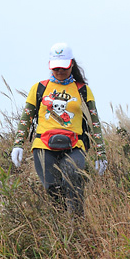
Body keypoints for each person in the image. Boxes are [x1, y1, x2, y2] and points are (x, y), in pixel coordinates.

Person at [10, 42, 106, 216]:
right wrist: (18, 144)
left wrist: (101, 153)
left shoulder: (83, 90)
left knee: (74, 180)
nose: (60, 71)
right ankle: (60, 227)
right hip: (43, 146)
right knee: (52, 189)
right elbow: (26, 118)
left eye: (64, 67)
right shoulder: (39, 88)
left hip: (75, 145)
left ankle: (77, 225)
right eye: (56, 68)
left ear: (72, 64)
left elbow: (95, 122)